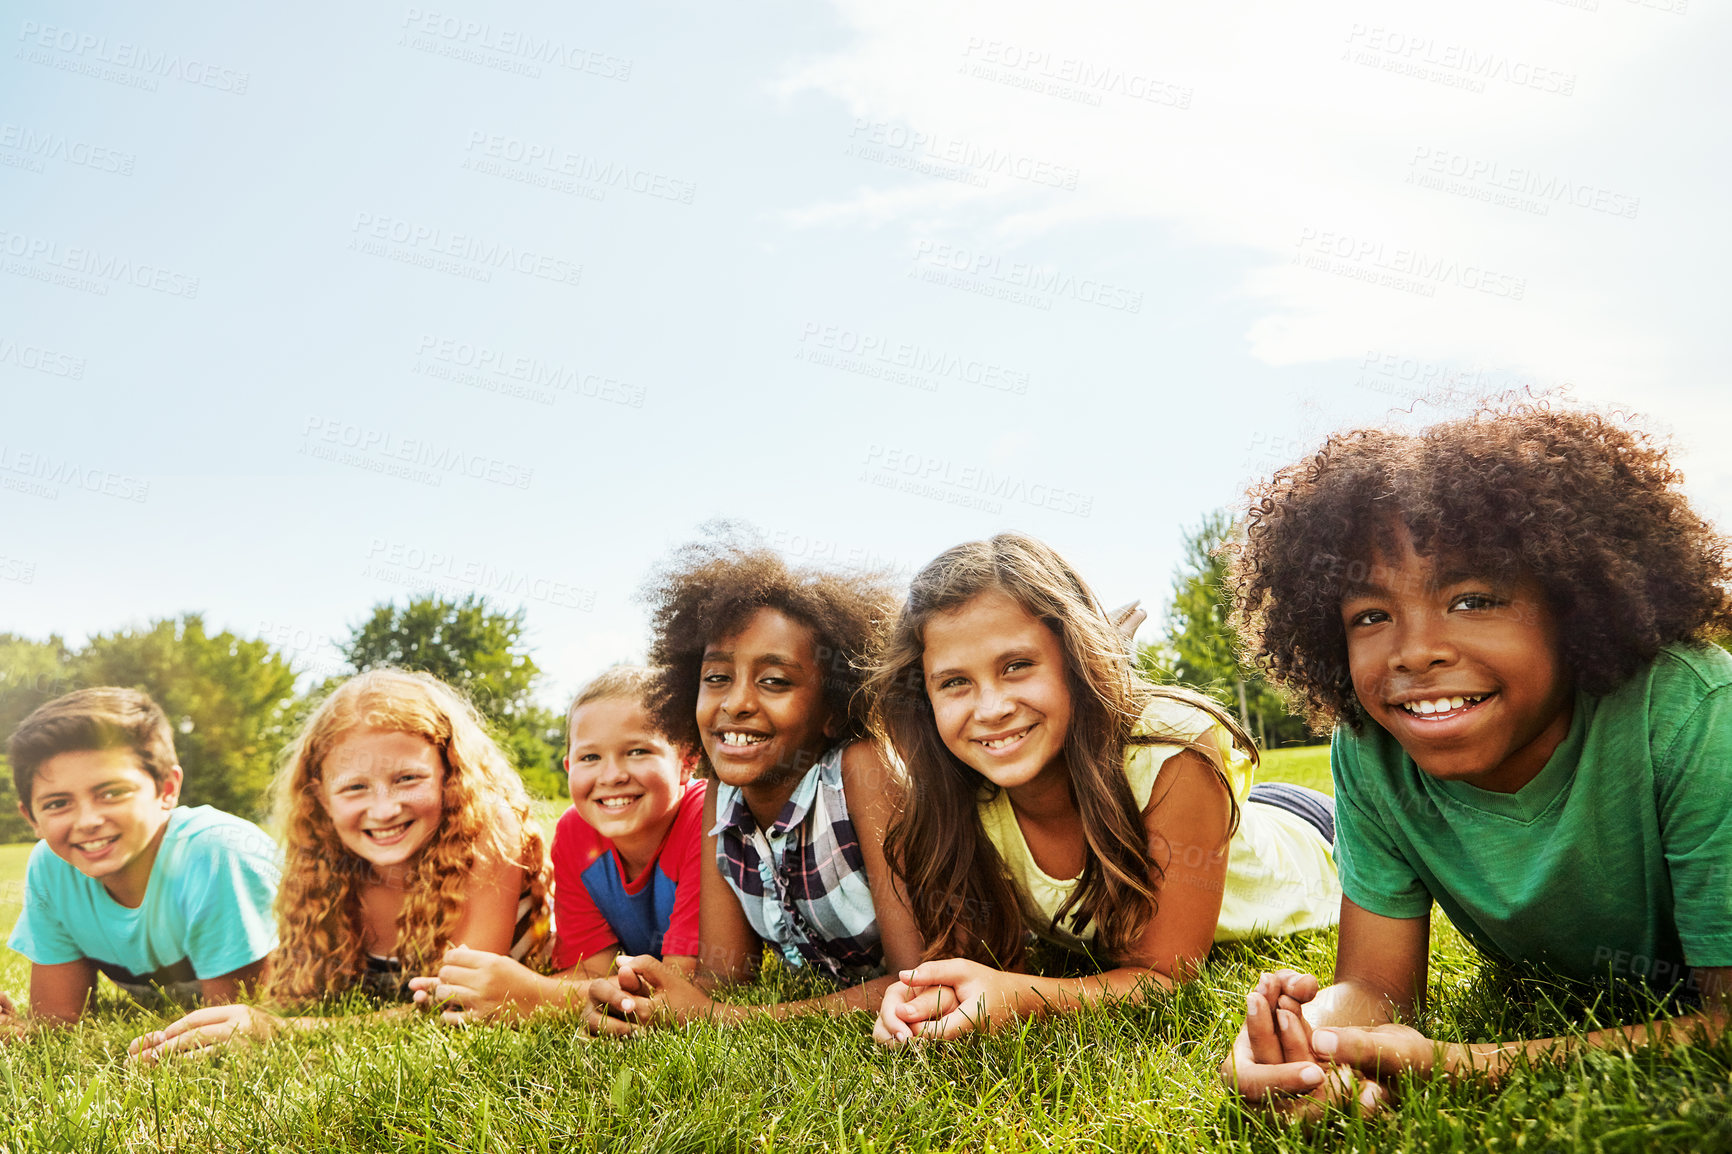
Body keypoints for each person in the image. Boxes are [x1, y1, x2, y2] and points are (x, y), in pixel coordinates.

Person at [1218, 403, 1732, 1118]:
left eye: (1472, 599)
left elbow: (1724, 1025)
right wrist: (1310, 1043)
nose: (1414, 650)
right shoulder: (1372, 750)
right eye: (1371, 615)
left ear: (1573, 604)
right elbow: (1377, 987)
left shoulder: (1693, 712)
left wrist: (1470, 1066)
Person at [871, 532, 1340, 1044]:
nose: (990, 708)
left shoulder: (1178, 750)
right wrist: (926, 994)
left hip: (1313, 834)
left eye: (1017, 666)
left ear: (1074, 660)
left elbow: (1164, 978)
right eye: (955, 682)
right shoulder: (959, 788)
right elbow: (976, 965)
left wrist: (1024, 997)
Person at [581, 528, 923, 1032]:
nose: (736, 703)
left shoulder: (860, 770)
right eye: (716, 677)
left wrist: (734, 1020)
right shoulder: (722, 793)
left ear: (833, 708)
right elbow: (724, 979)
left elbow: (917, 980)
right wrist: (640, 1000)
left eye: (775, 681)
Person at [128, 668, 551, 1059]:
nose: (384, 809)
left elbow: (464, 1006)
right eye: (355, 787)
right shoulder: (323, 852)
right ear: (321, 796)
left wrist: (281, 1031)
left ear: (450, 774)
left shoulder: (486, 828)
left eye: (408, 778)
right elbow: (301, 990)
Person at [407, 666, 705, 1021]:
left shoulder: (704, 817)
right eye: (589, 758)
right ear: (568, 766)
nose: (611, 775)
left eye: (638, 751)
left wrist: (532, 995)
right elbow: (593, 970)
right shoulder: (575, 833)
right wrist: (471, 990)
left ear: (687, 760)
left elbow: (681, 987)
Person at [1, 688, 279, 1037]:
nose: (87, 820)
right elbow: (57, 1023)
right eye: (58, 803)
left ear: (166, 789)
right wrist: (16, 1031)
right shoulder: (51, 866)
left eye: (113, 792)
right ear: (32, 818)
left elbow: (230, 1024)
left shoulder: (217, 853)